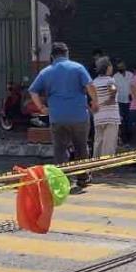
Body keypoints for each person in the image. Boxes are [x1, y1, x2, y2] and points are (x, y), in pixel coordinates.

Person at [29, 42, 99, 187]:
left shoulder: (46, 72)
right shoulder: (78, 68)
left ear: (52, 56)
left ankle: (62, 181)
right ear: (67, 54)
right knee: (81, 147)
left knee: (60, 149)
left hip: (57, 117)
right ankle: (83, 178)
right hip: (79, 116)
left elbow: (33, 91)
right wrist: (95, 102)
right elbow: (90, 86)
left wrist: (41, 108)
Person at [91, 56, 121, 158]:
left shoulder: (94, 82)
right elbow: (112, 94)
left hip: (98, 116)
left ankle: (96, 167)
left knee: (98, 142)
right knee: (109, 143)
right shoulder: (110, 80)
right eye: (111, 65)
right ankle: (105, 170)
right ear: (108, 68)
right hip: (110, 117)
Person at [113, 59, 134, 144]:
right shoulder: (115, 77)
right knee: (122, 122)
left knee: (130, 121)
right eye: (119, 66)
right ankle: (124, 140)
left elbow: (133, 86)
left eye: (122, 66)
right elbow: (114, 89)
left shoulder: (130, 75)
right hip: (120, 102)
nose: (121, 67)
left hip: (130, 102)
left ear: (125, 66)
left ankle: (130, 140)